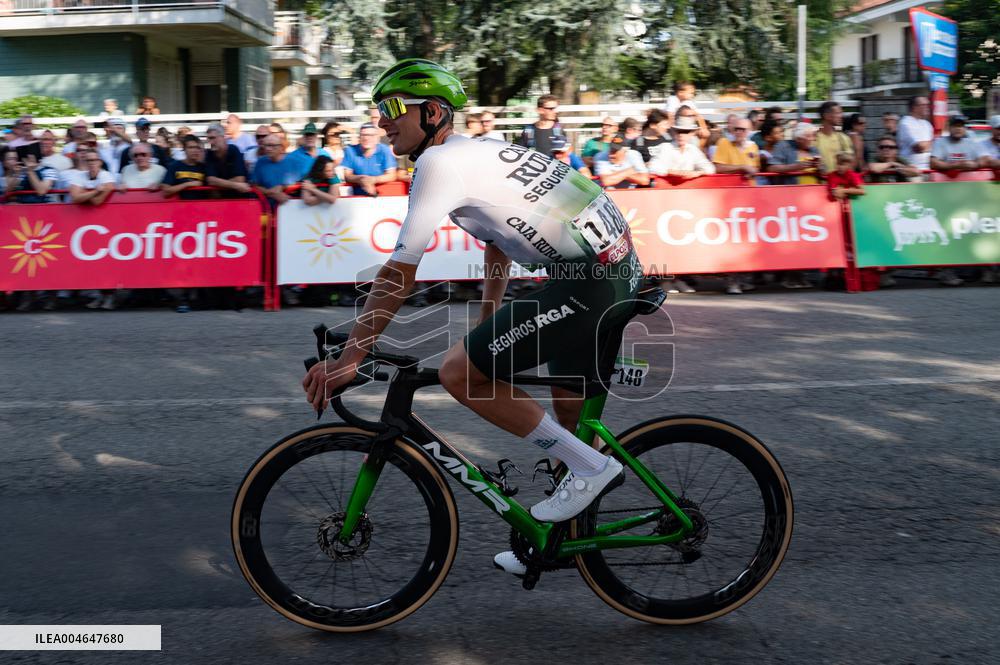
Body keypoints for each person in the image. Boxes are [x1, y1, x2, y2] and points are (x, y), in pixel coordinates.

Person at [303, 59, 635, 577]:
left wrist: (351, 358)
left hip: (590, 279)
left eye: (392, 109)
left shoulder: (439, 165)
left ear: (433, 112)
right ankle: (557, 542)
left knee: (463, 376)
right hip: (607, 270)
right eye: (378, 111)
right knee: (568, 424)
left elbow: (398, 274)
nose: (381, 121)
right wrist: (490, 316)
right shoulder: (472, 153)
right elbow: (497, 242)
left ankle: (594, 468)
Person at [647, 115, 715, 180]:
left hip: (688, 188)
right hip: (666, 188)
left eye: (685, 132)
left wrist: (697, 173)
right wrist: (675, 173)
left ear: (691, 134)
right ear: (674, 133)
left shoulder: (693, 149)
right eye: (678, 131)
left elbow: (710, 168)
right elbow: (652, 168)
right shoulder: (665, 147)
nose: (681, 135)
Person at [342, 123, 397, 195]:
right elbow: (347, 176)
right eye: (363, 135)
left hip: (382, 196)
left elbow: (392, 175)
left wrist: (373, 180)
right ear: (359, 137)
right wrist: (361, 179)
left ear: (377, 138)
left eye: (371, 135)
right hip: (357, 198)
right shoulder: (350, 150)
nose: (366, 138)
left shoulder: (385, 150)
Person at [205, 123, 251, 195]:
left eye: (213, 138)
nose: (210, 142)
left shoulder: (233, 150)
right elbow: (211, 180)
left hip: (240, 199)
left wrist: (218, 185)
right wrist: (237, 185)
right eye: (208, 138)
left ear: (223, 137)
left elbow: (240, 179)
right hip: (223, 200)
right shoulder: (209, 153)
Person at [162, 135, 208, 200]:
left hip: (200, 208)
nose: (194, 150)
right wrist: (188, 184)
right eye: (191, 147)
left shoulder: (204, 167)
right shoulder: (174, 166)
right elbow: (166, 191)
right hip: (180, 207)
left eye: (197, 147)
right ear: (184, 149)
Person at [897, 96, 934, 173]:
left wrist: (928, 144)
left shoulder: (927, 124)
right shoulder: (905, 123)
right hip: (913, 170)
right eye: (924, 105)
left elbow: (934, 147)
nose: (928, 107)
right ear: (914, 107)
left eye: (928, 104)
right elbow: (918, 148)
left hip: (929, 169)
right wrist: (933, 142)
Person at [815, 102, 853, 173]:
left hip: (840, 182)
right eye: (838, 113)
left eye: (841, 113)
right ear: (826, 116)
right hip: (820, 182)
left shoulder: (843, 138)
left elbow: (850, 162)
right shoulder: (814, 138)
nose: (841, 116)